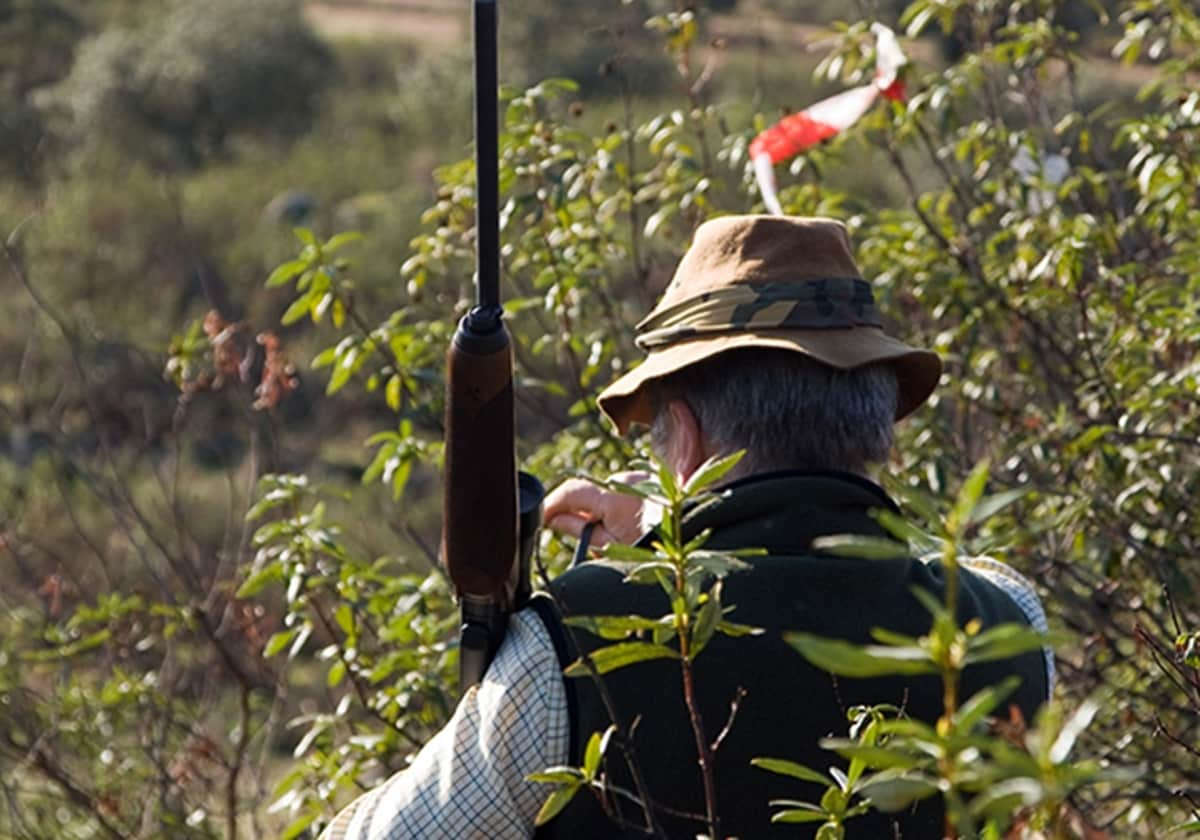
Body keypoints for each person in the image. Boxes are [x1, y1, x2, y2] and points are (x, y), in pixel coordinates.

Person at [320, 215, 1052, 839]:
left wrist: (641, 576)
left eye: (657, 440)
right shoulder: (1007, 623)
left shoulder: (575, 650)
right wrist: (675, 541)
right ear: (873, 426)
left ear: (690, 438)